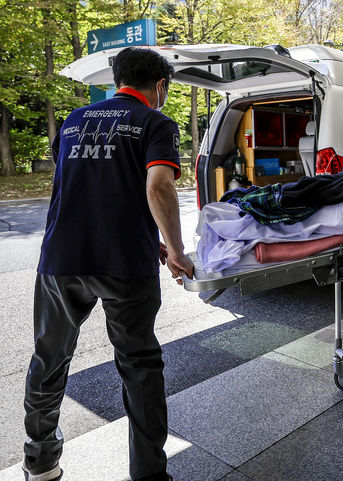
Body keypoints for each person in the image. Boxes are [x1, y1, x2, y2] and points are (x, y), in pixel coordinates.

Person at [22, 47, 194, 481]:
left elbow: (88, 186)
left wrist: (146, 234)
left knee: (48, 360)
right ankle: (149, 474)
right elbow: (159, 188)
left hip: (61, 259)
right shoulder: (156, 122)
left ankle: (40, 464)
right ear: (160, 86)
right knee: (139, 366)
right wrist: (174, 250)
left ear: (117, 79)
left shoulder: (74, 121)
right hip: (125, 267)